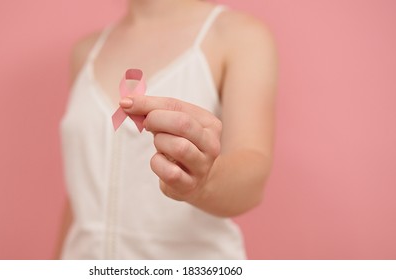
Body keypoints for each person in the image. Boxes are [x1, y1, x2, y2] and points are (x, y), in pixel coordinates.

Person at [56, 0, 278, 259]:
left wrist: (202, 183)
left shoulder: (238, 36)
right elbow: (81, 192)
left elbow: (252, 184)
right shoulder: (85, 52)